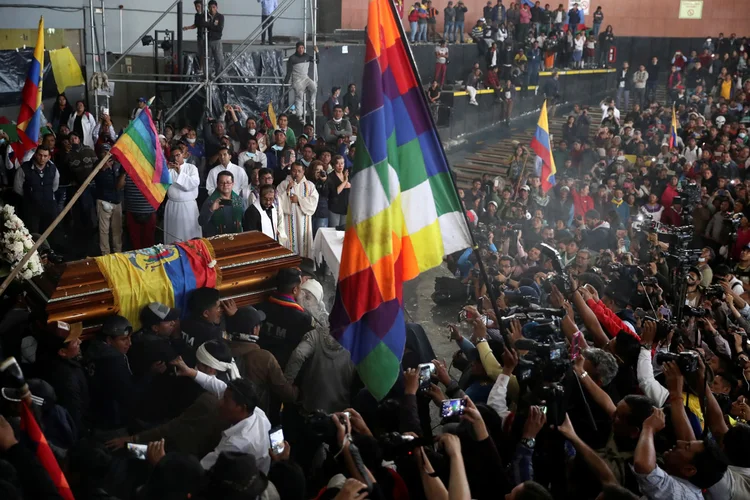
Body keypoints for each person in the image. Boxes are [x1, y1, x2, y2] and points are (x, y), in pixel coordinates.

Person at [256, 268, 315, 370]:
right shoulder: (303, 318)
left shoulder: (261, 306)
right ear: (295, 290)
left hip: (259, 362)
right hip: (283, 369)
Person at [277, 162, 319, 259]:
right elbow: (277, 201)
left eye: (299, 171)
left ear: (303, 172)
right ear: (291, 171)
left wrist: (299, 200)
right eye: (294, 170)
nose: (296, 173)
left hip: (303, 219)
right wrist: (287, 190)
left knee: (303, 243)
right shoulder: (284, 184)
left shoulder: (310, 185)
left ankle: (305, 267)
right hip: (288, 220)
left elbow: (314, 201)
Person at [14, 146, 59, 234]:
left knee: (49, 234)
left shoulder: (53, 169)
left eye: (45, 156)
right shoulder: (24, 168)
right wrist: (31, 196)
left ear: (49, 157)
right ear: (35, 155)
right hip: (30, 209)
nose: (42, 158)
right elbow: (17, 188)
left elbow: (55, 186)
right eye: (40, 155)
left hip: (49, 208)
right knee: (32, 235)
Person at [164, 145, 201, 244]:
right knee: (173, 235)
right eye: (173, 156)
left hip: (188, 207)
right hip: (173, 206)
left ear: (183, 155)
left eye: (178, 155)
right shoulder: (168, 169)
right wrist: (165, 171)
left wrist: (179, 172)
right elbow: (161, 185)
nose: (176, 158)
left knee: (190, 236)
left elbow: (193, 183)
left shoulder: (191, 168)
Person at [93, 145, 123, 255]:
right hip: (103, 201)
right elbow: (94, 178)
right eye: (104, 152)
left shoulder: (117, 165)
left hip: (116, 201)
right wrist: (103, 167)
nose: (106, 154)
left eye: (108, 152)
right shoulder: (97, 165)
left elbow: (120, 182)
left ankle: (118, 252)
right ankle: (105, 253)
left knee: (117, 230)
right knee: (104, 230)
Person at [199, 170, 244, 236]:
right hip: (216, 241)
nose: (225, 185)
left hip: (236, 239)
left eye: (228, 182)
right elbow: (201, 222)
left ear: (232, 184)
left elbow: (244, 221)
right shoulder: (210, 201)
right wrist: (211, 210)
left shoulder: (239, 200)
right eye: (222, 182)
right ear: (217, 184)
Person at [285, 42, 318, 118]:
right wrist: (286, 82)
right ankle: (299, 115)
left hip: (305, 78)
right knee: (300, 96)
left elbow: (317, 61)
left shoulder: (307, 56)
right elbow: (289, 71)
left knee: (314, 88)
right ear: (296, 48)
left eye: (302, 48)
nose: (301, 49)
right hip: (297, 80)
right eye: (299, 48)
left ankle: (311, 103)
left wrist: (317, 52)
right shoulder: (292, 58)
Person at [197, 0, 224, 77]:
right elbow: (201, 23)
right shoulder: (205, 16)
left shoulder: (220, 17)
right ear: (208, 8)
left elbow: (219, 28)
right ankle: (207, 76)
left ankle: (219, 76)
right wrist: (211, 25)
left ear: (217, 7)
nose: (212, 9)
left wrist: (208, 25)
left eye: (214, 7)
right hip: (208, 41)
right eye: (210, 7)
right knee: (207, 59)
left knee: (219, 59)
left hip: (217, 41)